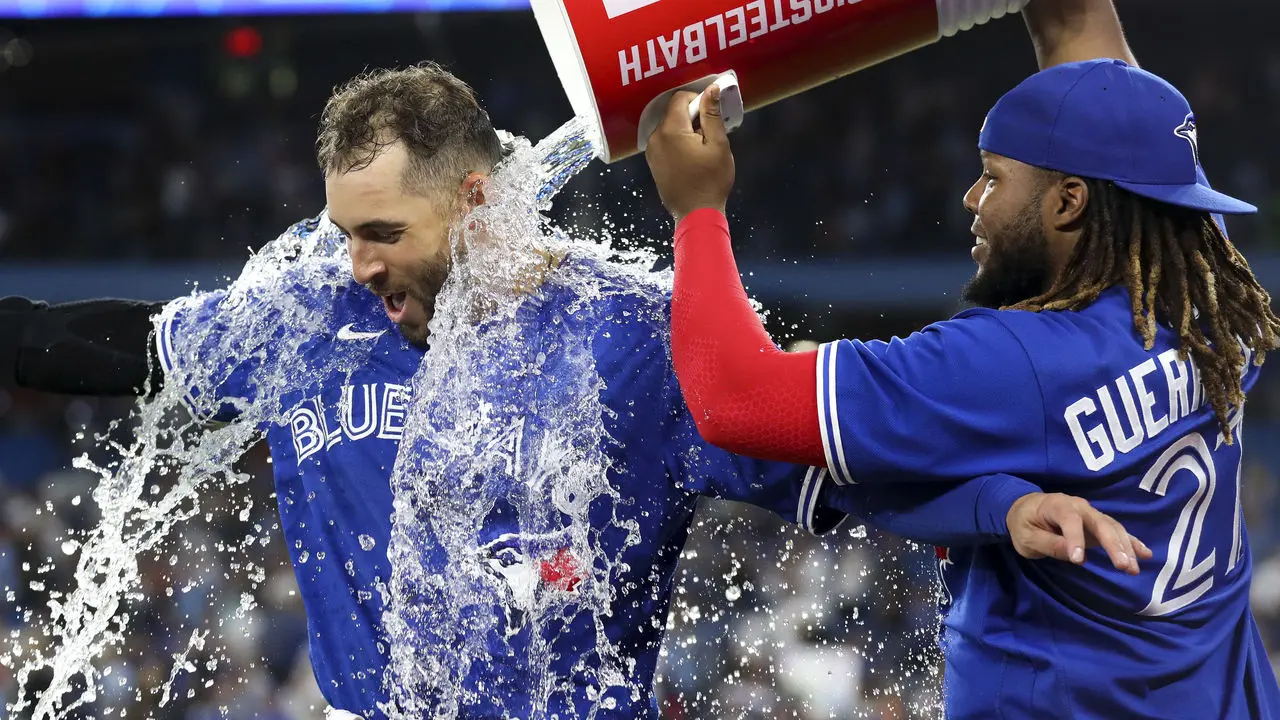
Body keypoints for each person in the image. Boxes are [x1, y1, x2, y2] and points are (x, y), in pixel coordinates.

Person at [1, 64, 1142, 718]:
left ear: (481, 199)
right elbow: (104, 347)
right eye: (344, 232)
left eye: (383, 233)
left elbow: (841, 473)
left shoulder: (632, 340)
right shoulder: (305, 318)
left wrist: (994, 506)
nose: (354, 264)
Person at [642, 0, 1280, 717]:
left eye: (994, 175)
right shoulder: (1203, 281)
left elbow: (731, 397)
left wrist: (696, 208)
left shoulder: (1018, 361)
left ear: (1069, 201)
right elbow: (1077, 24)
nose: (972, 196)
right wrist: (1001, 505)